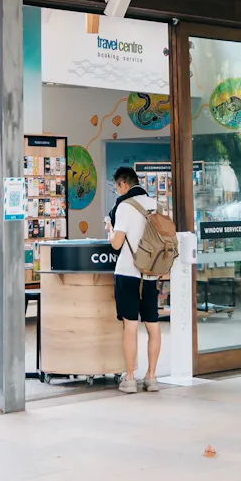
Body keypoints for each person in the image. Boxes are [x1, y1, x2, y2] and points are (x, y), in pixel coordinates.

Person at [106, 166, 161, 393]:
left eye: (116, 187)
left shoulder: (124, 207)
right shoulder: (154, 204)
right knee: (153, 327)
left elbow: (116, 244)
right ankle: (152, 377)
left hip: (128, 272)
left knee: (130, 326)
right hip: (150, 273)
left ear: (123, 185)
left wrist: (110, 229)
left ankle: (129, 379)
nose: (117, 192)